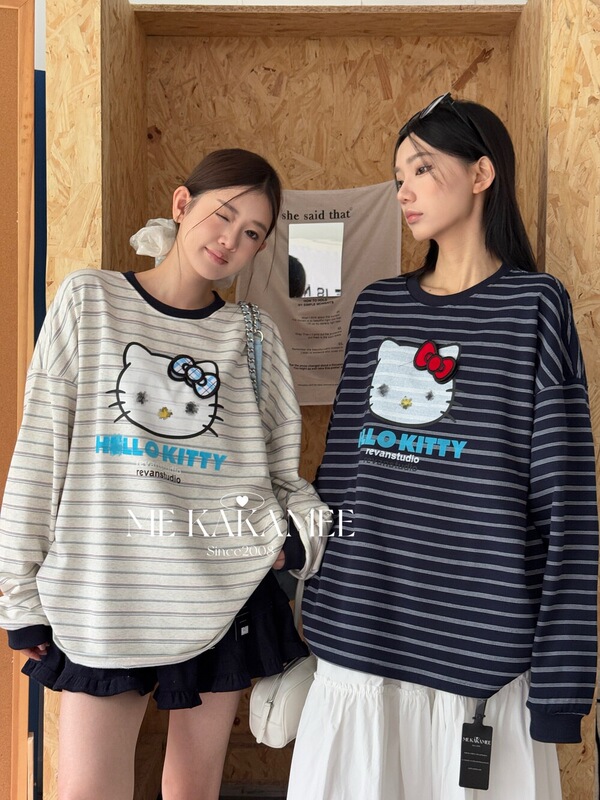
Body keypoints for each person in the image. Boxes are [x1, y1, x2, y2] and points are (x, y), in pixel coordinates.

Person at [287, 94, 598, 800]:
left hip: (479, 663)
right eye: (399, 176)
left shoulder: (536, 307)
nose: (405, 190)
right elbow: (342, 477)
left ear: (482, 173)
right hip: (358, 643)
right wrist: (304, 593)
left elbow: (567, 507)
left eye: (422, 169)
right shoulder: (377, 307)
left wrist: (561, 690)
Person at [0, 148, 329, 800]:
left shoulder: (253, 336)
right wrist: (19, 597)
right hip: (104, 596)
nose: (230, 240)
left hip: (220, 595)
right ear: (182, 204)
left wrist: (294, 539)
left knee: (192, 790)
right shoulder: (90, 300)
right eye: (222, 215)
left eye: (252, 232)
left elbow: (279, 472)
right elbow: (40, 454)